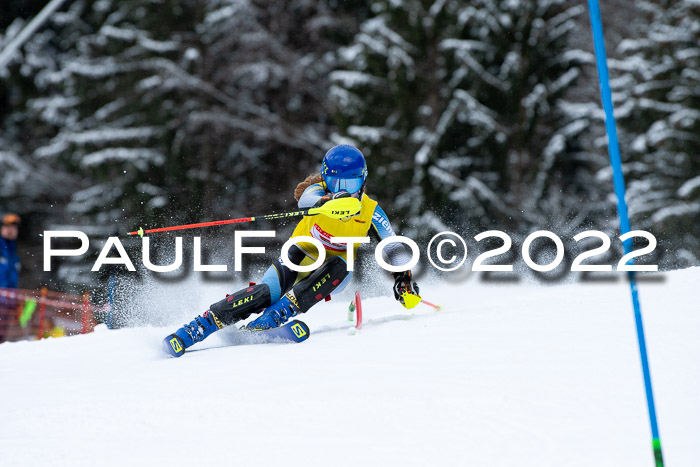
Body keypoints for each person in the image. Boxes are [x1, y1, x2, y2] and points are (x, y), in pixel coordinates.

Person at [163, 145, 420, 357]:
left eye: (350, 184)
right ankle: (200, 326)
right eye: (335, 182)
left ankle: (277, 316)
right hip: (300, 253)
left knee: (341, 267)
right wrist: (327, 202)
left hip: (334, 270)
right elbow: (305, 199)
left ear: (362, 181)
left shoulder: (371, 210)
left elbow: (392, 245)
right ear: (325, 179)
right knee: (266, 292)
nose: (343, 190)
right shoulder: (319, 192)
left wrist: (403, 280)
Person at [0, 213, 21, 289]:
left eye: (14, 227)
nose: (11, 230)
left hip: (9, 299)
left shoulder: (14, 255)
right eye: (7, 226)